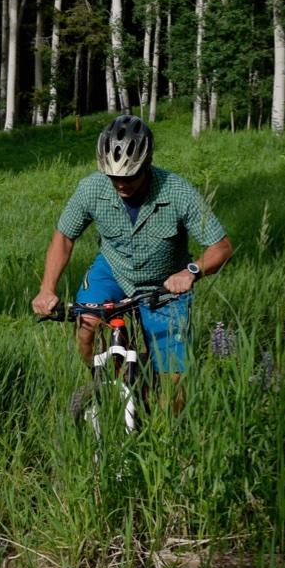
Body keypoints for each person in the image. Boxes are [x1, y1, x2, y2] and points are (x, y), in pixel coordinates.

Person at [32, 113, 233, 406]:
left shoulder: (176, 191)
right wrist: (47, 289)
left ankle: (163, 435)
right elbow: (64, 237)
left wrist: (191, 271)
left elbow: (222, 247)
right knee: (86, 328)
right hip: (113, 270)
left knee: (173, 387)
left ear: (147, 164)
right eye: (113, 177)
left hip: (166, 284)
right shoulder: (91, 188)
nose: (120, 184)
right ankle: (110, 384)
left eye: (129, 177)